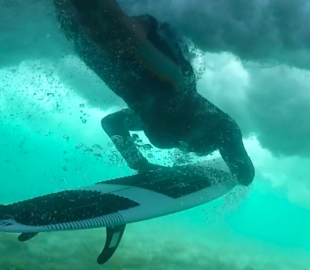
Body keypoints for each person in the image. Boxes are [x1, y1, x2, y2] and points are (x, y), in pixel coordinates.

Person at [52, 0, 255, 185]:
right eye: (184, 145)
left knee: (71, 19)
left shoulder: (148, 116)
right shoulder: (215, 121)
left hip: (107, 61)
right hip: (161, 67)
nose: (179, 147)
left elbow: (111, 123)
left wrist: (140, 164)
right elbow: (246, 175)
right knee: (103, 29)